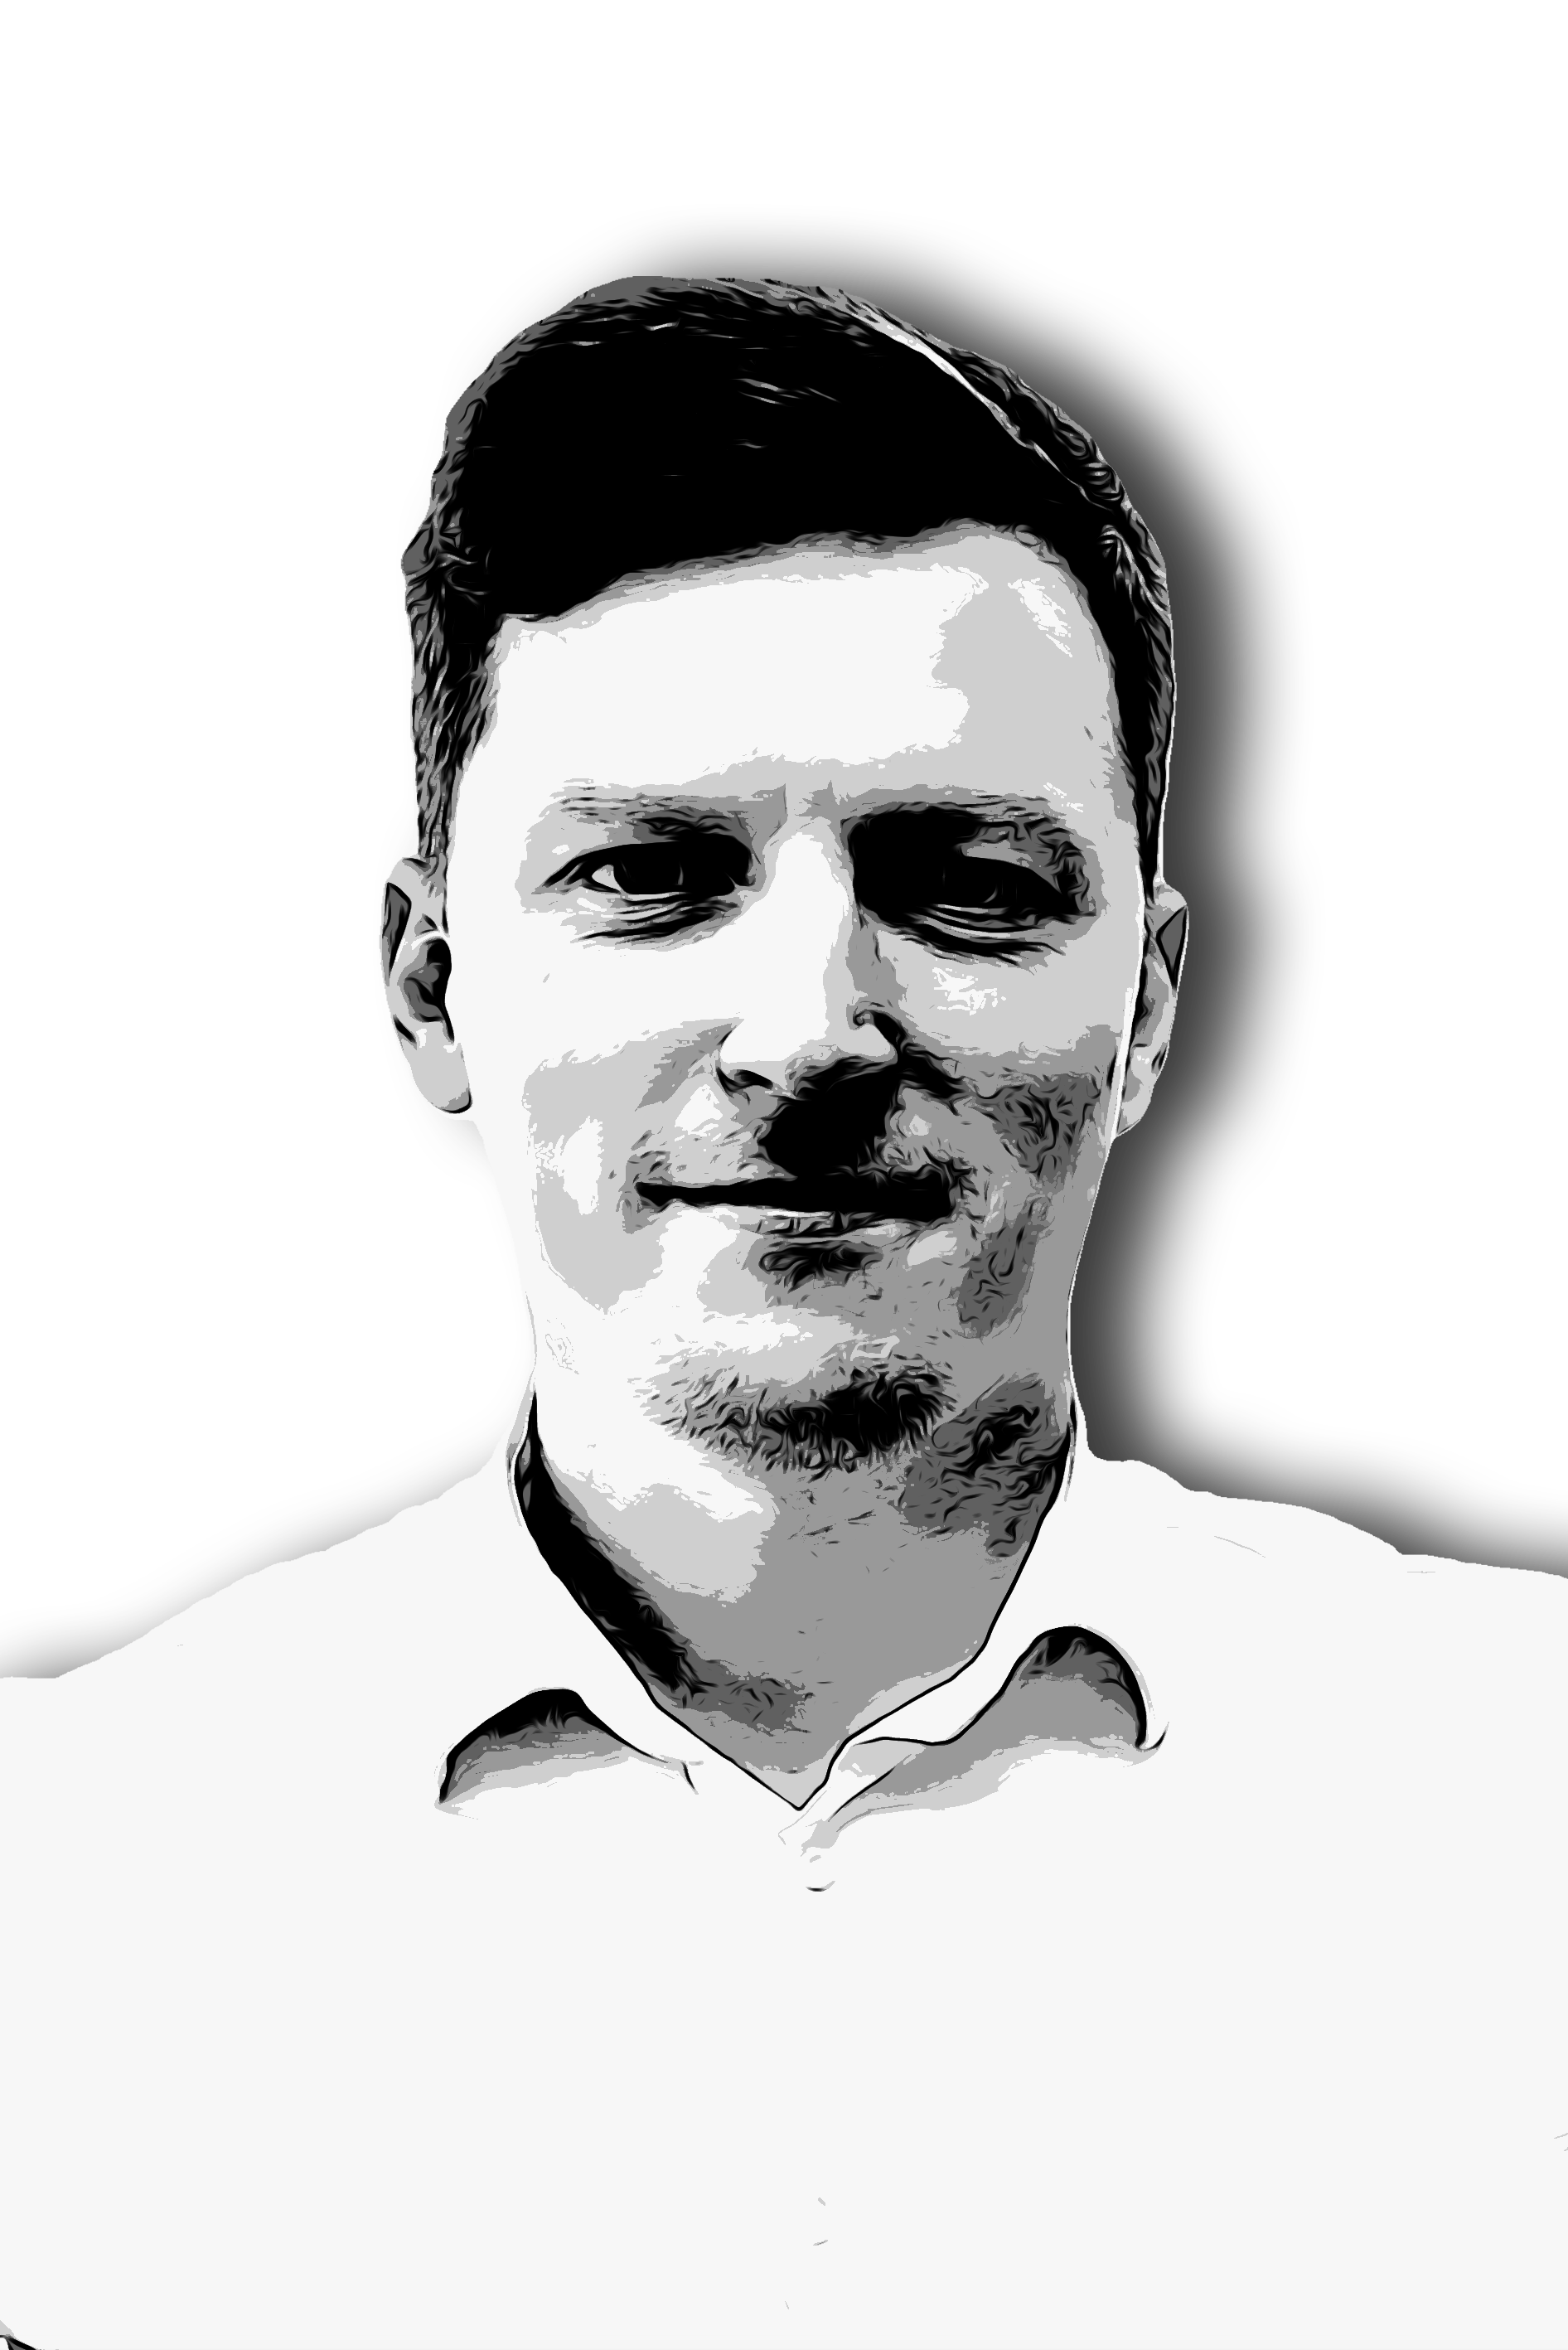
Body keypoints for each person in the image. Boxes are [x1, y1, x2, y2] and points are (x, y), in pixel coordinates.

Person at [2, 277, 1561, 2350]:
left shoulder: (1526, 1779)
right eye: (651, 873)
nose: (809, 1029)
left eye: (968, 880)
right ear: (432, 989)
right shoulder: (63, 1864)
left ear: (1148, 1011)